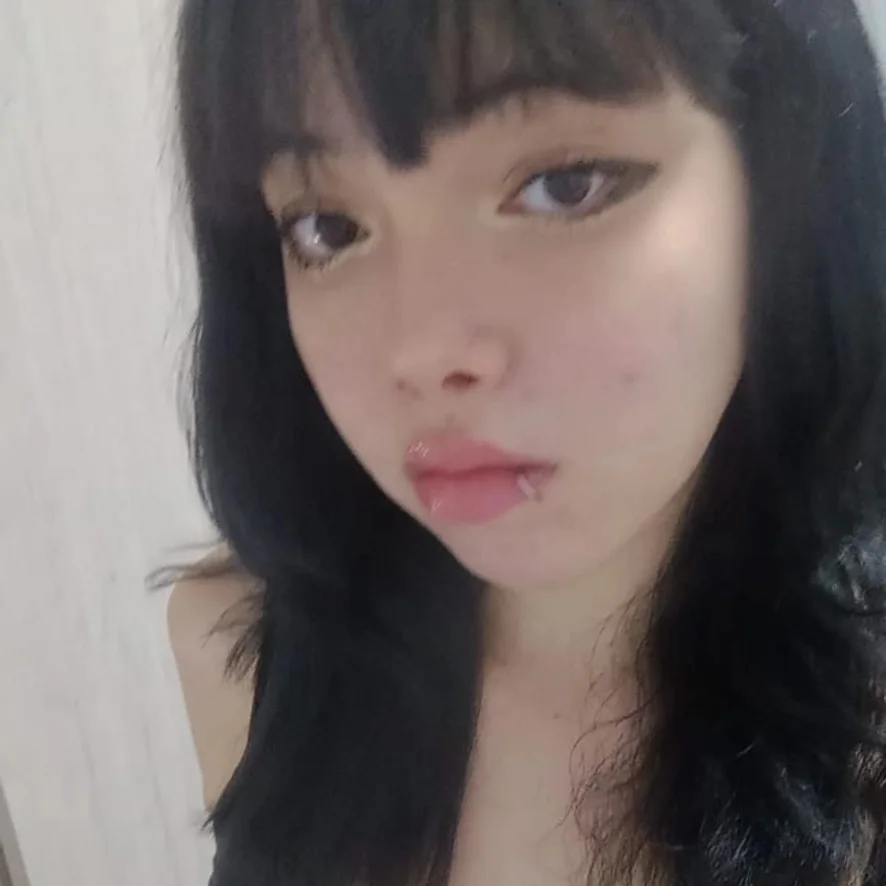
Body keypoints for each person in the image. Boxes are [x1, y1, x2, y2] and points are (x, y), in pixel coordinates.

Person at [161, 1, 886, 884]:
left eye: (566, 184)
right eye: (328, 228)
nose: (421, 351)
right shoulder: (236, 651)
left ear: (789, 185)